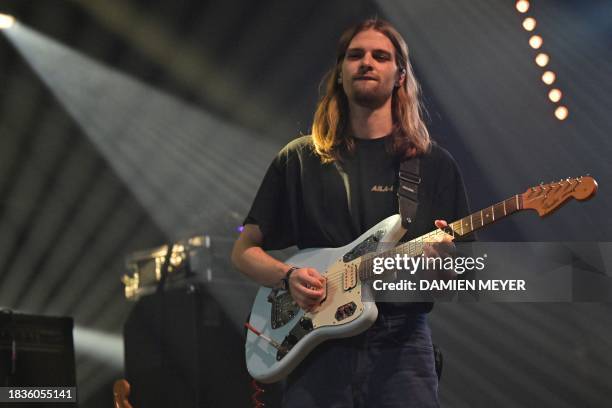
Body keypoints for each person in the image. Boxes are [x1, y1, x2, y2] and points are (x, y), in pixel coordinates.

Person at [232, 18, 470, 408]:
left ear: (400, 75)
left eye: (381, 56)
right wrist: (289, 275)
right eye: (355, 55)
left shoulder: (433, 165)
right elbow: (243, 252)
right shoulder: (299, 159)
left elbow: (464, 270)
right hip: (315, 348)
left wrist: (444, 264)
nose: (367, 62)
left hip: (401, 346)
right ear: (339, 73)